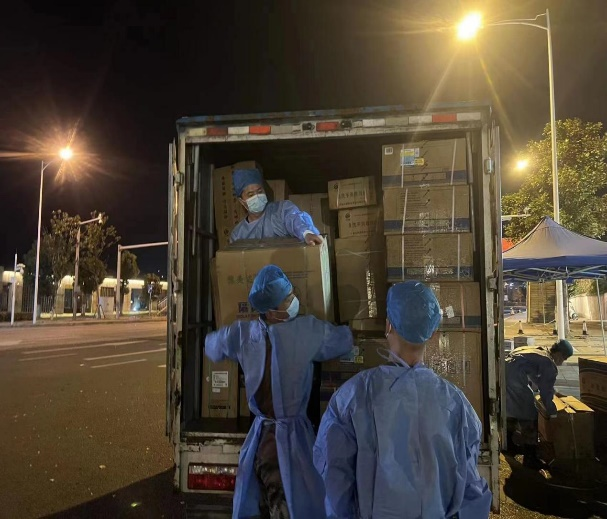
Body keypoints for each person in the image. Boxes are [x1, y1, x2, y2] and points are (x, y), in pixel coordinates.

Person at [314, 281, 492, 519]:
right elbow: (471, 490)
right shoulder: (457, 404)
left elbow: (334, 480)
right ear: (432, 333)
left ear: (388, 326)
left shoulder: (352, 397)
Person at [205, 265, 353, 519]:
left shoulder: (243, 334)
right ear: (272, 312)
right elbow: (344, 340)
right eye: (288, 298)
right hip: (290, 439)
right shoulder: (306, 331)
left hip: (261, 439)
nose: (294, 300)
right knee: (293, 503)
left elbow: (212, 346)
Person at [505, 339, 574, 469]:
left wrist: (554, 392)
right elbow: (545, 392)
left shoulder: (539, 351)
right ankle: (530, 458)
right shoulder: (549, 363)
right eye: (564, 358)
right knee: (529, 412)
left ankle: (509, 445)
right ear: (559, 354)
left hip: (504, 373)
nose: (562, 362)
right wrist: (553, 413)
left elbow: (537, 379)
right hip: (515, 378)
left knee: (511, 409)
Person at [230, 168, 324, 245]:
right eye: (250, 195)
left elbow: (295, 219)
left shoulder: (281, 210)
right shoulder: (237, 235)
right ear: (242, 201)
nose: (257, 196)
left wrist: (306, 233)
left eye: (259, 191)